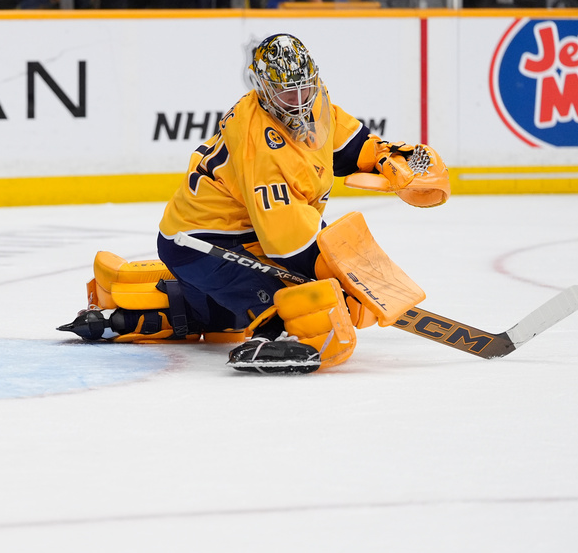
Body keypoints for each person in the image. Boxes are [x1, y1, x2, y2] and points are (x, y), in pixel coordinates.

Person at [58, 34, 451, 374]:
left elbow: (344, 141)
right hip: (201, 242)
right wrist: (347, 272)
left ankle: (163, 311)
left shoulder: (314, 98)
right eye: (286, 93)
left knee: (234, 315)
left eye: (304, 88)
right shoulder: (259, 143)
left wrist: (384, 157)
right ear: (263, 88)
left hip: (240, 234)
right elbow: (288, 240)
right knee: (304, 302)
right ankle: (272, 332)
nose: (298, 101)